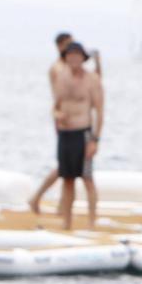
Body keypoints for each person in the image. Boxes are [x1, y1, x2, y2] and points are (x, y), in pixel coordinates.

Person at [50, 41, 103, 231]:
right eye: (69, 55)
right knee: (67, 179)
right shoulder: (61, 77)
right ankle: (67, 222)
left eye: (77, 55)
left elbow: (99, 111)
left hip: (84, 133)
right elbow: (55, 107)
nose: (73, 58)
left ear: (83, 58)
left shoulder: (92, 80)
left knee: (87, 179)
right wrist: (58, 116)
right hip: (66, 133)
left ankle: (92, 221)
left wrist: (95, 140)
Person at [28, 31, 83, 214]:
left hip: (75, 121)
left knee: (69, 168)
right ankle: (38, 197)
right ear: (60, 47)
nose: (72, 48)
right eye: (68, 44)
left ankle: (61, 205)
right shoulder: (58, 68)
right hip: (64, 119)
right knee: (64, 166)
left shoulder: (69, 67)